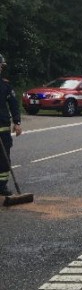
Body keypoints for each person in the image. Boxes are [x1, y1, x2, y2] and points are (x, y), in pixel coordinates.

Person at [0, 53, 23, 196]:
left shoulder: (5, 84)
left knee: (4, 158)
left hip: (2, 127)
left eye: (1, 65)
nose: (1, 67)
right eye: (0, 65)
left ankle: (1, 186)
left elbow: (14, 104)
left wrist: (17, 122)